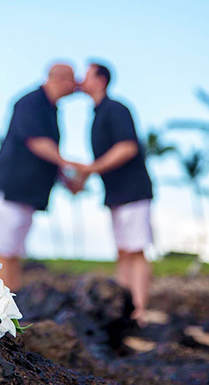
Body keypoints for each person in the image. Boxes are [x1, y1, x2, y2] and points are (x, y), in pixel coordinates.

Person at [0, 63, 79, 291]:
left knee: (13, 253)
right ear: (62, 79)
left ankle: (10, 311)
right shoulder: (31, 102)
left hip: (26, 195)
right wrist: (69, 165)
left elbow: (46, 150)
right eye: (74, 80)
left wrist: (65, 178)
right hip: (9, 191)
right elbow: (36, 141)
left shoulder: (50, 108)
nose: (77, 86)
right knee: (3, 253)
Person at [75, 62, 154, 322]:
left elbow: (127, 147)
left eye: (86, 75)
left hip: (133, 191)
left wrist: (90, 169)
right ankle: (121, 306)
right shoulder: (97, 114)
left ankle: (138, 308)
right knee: (123, 249)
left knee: (136, 249)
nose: (80, 80)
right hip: (116, 193)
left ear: (100, 80)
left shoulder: (116, 109)